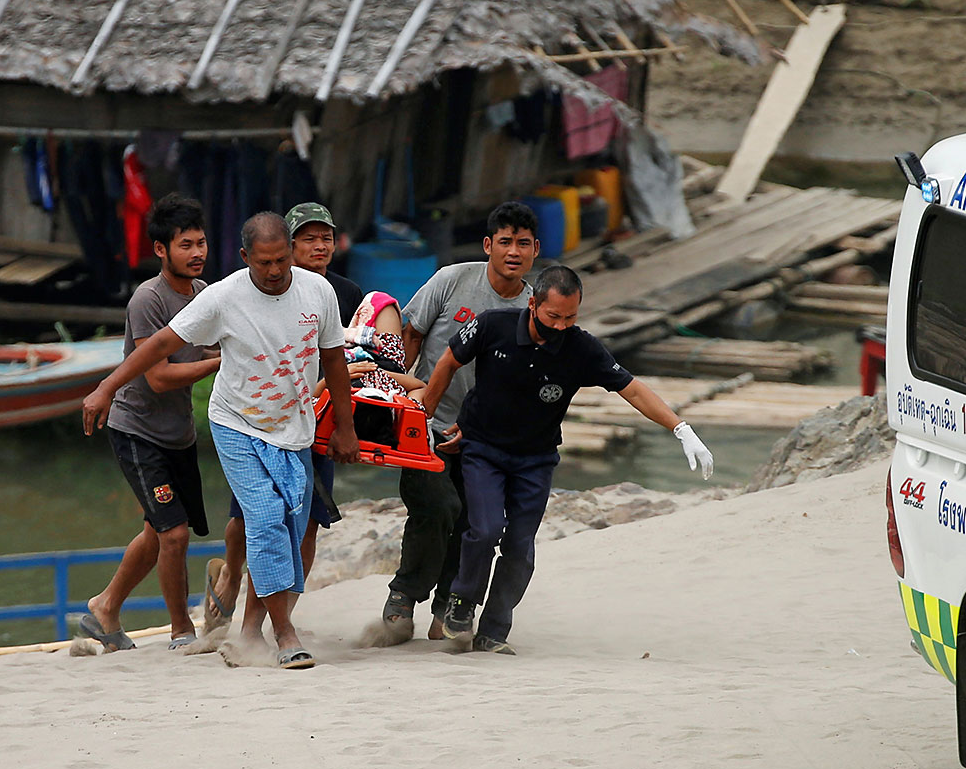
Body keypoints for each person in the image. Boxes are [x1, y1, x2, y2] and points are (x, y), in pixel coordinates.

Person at [84, 212, 358, 669]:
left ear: (290, 252)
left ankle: (249, 632)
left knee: (291, 526)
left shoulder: (319, 292)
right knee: (266, 517)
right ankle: (284, 634)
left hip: (294, 425)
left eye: (281, 261)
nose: (273, 272)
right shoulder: (224, 296)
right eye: (263, 263)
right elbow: (158, 346)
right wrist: (106, 388)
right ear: (245, 257)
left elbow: (332, 361)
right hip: (238, 424)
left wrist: (345, 427)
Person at [422, 265, 714, 655]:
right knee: (486, 528)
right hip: (482, 449)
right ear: (533, 304)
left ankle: (494, 629)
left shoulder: (581, 348)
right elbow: (447, 362)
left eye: (570, 317)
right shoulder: (492, 325)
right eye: (552, 317)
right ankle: (462, 600)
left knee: (520, 544)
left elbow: (633, 390)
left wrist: (681, 428)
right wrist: (423, 415)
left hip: (536, 460)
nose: (560, 326)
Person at [369, 201, 541, 647]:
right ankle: (404, 596)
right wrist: (400, 402)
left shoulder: (533, 308)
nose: (513, 251)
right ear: (488, 245)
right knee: (435, 506)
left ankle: (448, 604)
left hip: (484, 434)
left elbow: (527, 380)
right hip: (425, 422)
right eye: (504, 241)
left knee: (475, 520)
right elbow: (410, 335)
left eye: (523, 243)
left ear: (536, 250)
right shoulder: (451, 280)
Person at [202, 202, 362, 632]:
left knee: (300, 523)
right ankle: (235, 579)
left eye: (325, 237)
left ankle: (266, 622)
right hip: (249, 423)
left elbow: (342, 359)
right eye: (308, 238)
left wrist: (346, 426)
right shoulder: (236, 293)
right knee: (255, 520)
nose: (318, 246)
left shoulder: (340, 292)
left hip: (308, 423)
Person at [70, 194, 220, 652]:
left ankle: (105, 607)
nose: (196, 253)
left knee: (157, 530)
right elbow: (157, 378)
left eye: (201, 243)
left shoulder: (204, 294)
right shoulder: (148, 301)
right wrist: (218, 363)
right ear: (161, 250)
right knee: (173, 533)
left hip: (178, 434)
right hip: (137, 431)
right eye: (185, 245)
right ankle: (181, 631)